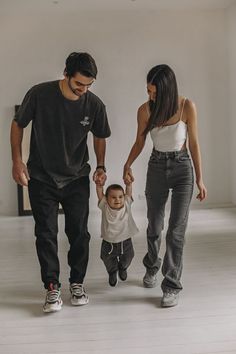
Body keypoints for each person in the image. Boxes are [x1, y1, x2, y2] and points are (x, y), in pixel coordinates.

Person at [10, 52, 111, 313]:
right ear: (65, 74)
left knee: (79, 233)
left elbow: (100, 135)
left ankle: (77, 282)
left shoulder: (94, 105)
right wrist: (17, 161)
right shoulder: (39, 94)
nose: (83, 90)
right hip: (42, 177)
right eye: (79, 84)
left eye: (89, 85)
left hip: (77, 177)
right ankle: (52, 287)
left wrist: (100, 166)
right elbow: (18, 124)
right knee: (46, 234)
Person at [123, 64, 207, 307]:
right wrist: (127, 163)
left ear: (168, 90)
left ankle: (171, 285)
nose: (150, 96)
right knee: (155, 226)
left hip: (183, 169)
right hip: (157, 167)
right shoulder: (145, 110)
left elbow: (194, 144)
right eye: (148, 91)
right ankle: (152, 266)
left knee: (175, 231)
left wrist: (200, 178)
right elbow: (139, 141)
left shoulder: (186, 107)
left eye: (155, 92)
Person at [96, 183, 139, 287]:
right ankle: (112, 271)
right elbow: (100, 194)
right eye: (113, 197)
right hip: (108, 243)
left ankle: (122, 268)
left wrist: (129, 184)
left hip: (126, 241)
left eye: (120, 197)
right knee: (107, 260)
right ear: (106, 199)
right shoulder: (104, 206)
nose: (117, 200)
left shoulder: (126, 204)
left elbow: (128, 192)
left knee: (128, 257)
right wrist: (99, 185)